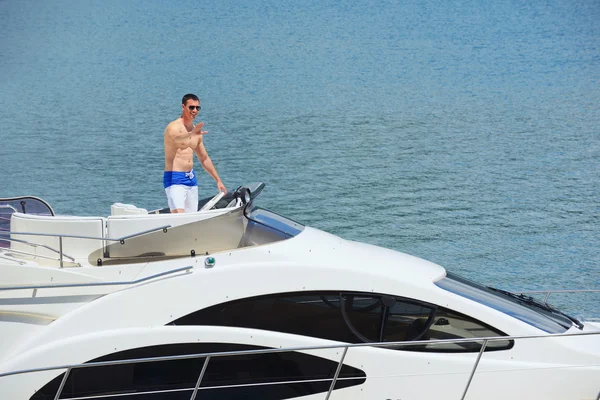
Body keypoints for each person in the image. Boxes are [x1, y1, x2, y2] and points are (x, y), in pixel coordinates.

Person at [163, 93, 226, 213]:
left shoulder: (195, 131)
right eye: (191, 107)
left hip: (191, 179)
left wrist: (218, 180)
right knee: (179, 220)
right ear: (183, 107)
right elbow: (178, 140)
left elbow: (204, 158)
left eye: (197, 108)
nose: (195, 110)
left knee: (191, 219)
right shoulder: (174, 127)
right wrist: (191, 134)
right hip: (175, 179)